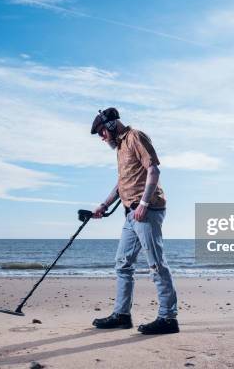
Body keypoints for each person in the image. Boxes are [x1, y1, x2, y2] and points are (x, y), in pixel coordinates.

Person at [90, 107, 179, 335]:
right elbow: (123, 183)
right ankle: (122, 315)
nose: (102, 137)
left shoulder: (135, 137)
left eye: (102, 132)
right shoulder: (119, 148)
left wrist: (144, 204)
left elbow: (153, 170)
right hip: (131, 214)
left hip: (146, 211)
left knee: (156, 264)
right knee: (122, 264)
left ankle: (168, 319)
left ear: (111, 125)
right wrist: (104, 205)